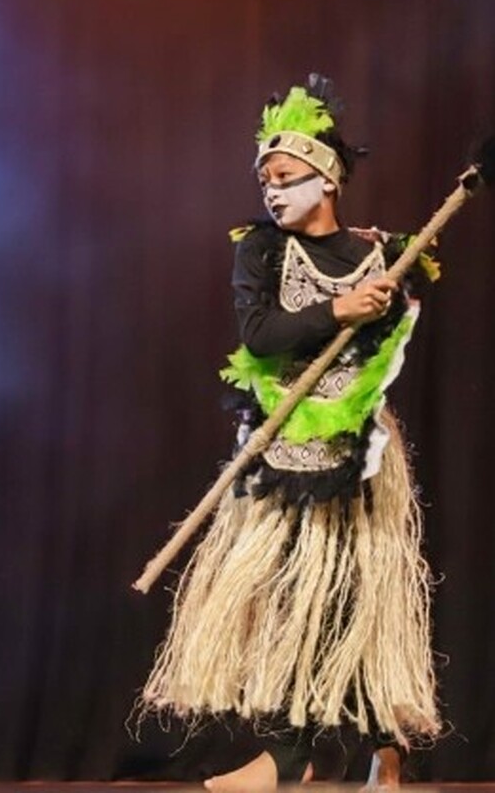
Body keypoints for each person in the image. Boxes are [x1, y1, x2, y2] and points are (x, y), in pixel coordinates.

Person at [140, 75, 439, 789]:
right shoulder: (261, 253)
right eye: (264, 180)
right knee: (287, 603)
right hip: (281, 453)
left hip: (357, 455)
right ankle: (296, 757)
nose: (271, 191)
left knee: (356, 603)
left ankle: (376, 757)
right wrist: (339, 311)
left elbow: (385, 349)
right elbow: (261, 333)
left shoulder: (387, 252)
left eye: (286, 177)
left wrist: (382, 304)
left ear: (326, 177)